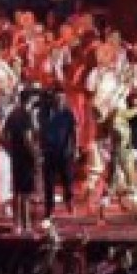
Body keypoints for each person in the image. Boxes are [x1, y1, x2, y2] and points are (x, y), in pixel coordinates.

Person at [2, 88, 39, 234]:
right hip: (25, 157)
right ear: (29, 100)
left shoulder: (12, 114)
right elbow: (28, 138)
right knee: (26, 193)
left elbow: (4, 134)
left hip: (15, 156)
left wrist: (10, 149)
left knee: (17, 191)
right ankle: (26, 225)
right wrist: (35, 156)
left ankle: (16, 224)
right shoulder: (26, 115)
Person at [41, 90, 79, 218]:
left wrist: (75, 148)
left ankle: (69, 202)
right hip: (49, 152)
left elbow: (74, 131)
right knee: (49, 182)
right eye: (57, 98)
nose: (59, 100)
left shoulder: (68, 113)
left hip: (65, 152)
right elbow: (40, 130)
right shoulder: (46, 113)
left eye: (62, 98)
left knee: (67, 180)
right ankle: (49, 209)